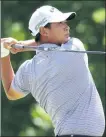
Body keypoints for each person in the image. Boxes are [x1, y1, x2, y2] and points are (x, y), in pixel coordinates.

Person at [1, 5, 105, 137]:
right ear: (44, 30)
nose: (66, 26)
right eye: (60, 23)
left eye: (65, 22)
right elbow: (45, 46)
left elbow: (11, 92)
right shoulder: (74, 48)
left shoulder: (29, 70)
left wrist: (4, 52)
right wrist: (22, 46)